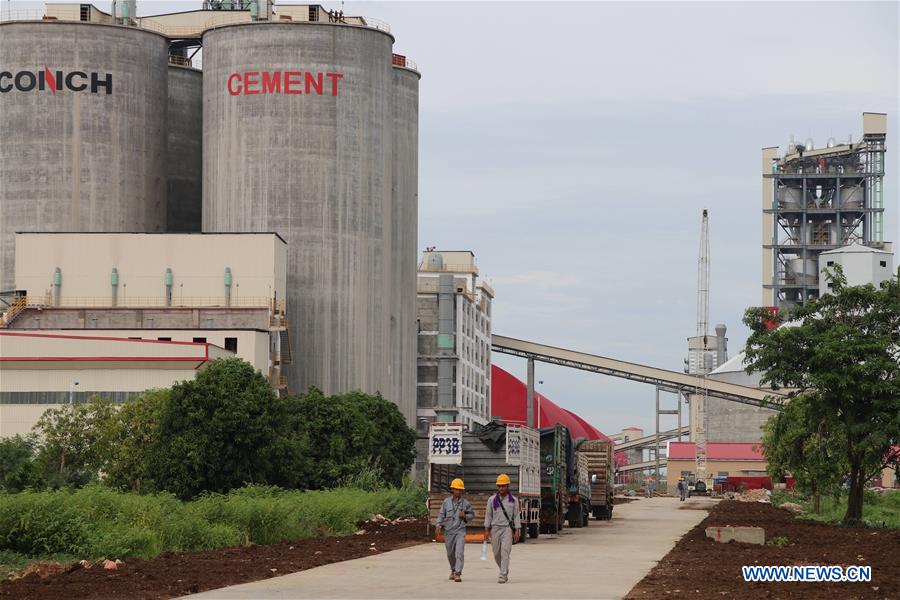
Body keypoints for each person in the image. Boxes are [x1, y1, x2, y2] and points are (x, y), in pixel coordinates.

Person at [484, 473, 521, 584]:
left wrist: (517, 530)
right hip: (495, 529)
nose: (501, 488)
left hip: (507, 529)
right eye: (499, 486)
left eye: (503, 486)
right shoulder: (492, 500)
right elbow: (488, 515)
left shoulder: (513, 500)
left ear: (507, 486)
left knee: (505, 552)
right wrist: (486, 530)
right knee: (496, 554)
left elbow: (516, 515)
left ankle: (503, 574)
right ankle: (504, 568)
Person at [435, 478, 475, 582]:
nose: (458, 491)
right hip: (449, 531)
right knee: (450, 553)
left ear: (462, 491)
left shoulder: (465, 503)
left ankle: (458, 573)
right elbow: (441, 514)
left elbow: (472, 515)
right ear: (452, 489)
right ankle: (453, 569)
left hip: (460, 531)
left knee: (459, 553)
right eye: (456, 489)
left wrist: (465, 515)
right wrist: (438, 524)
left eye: (460, 489)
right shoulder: (446, 502)